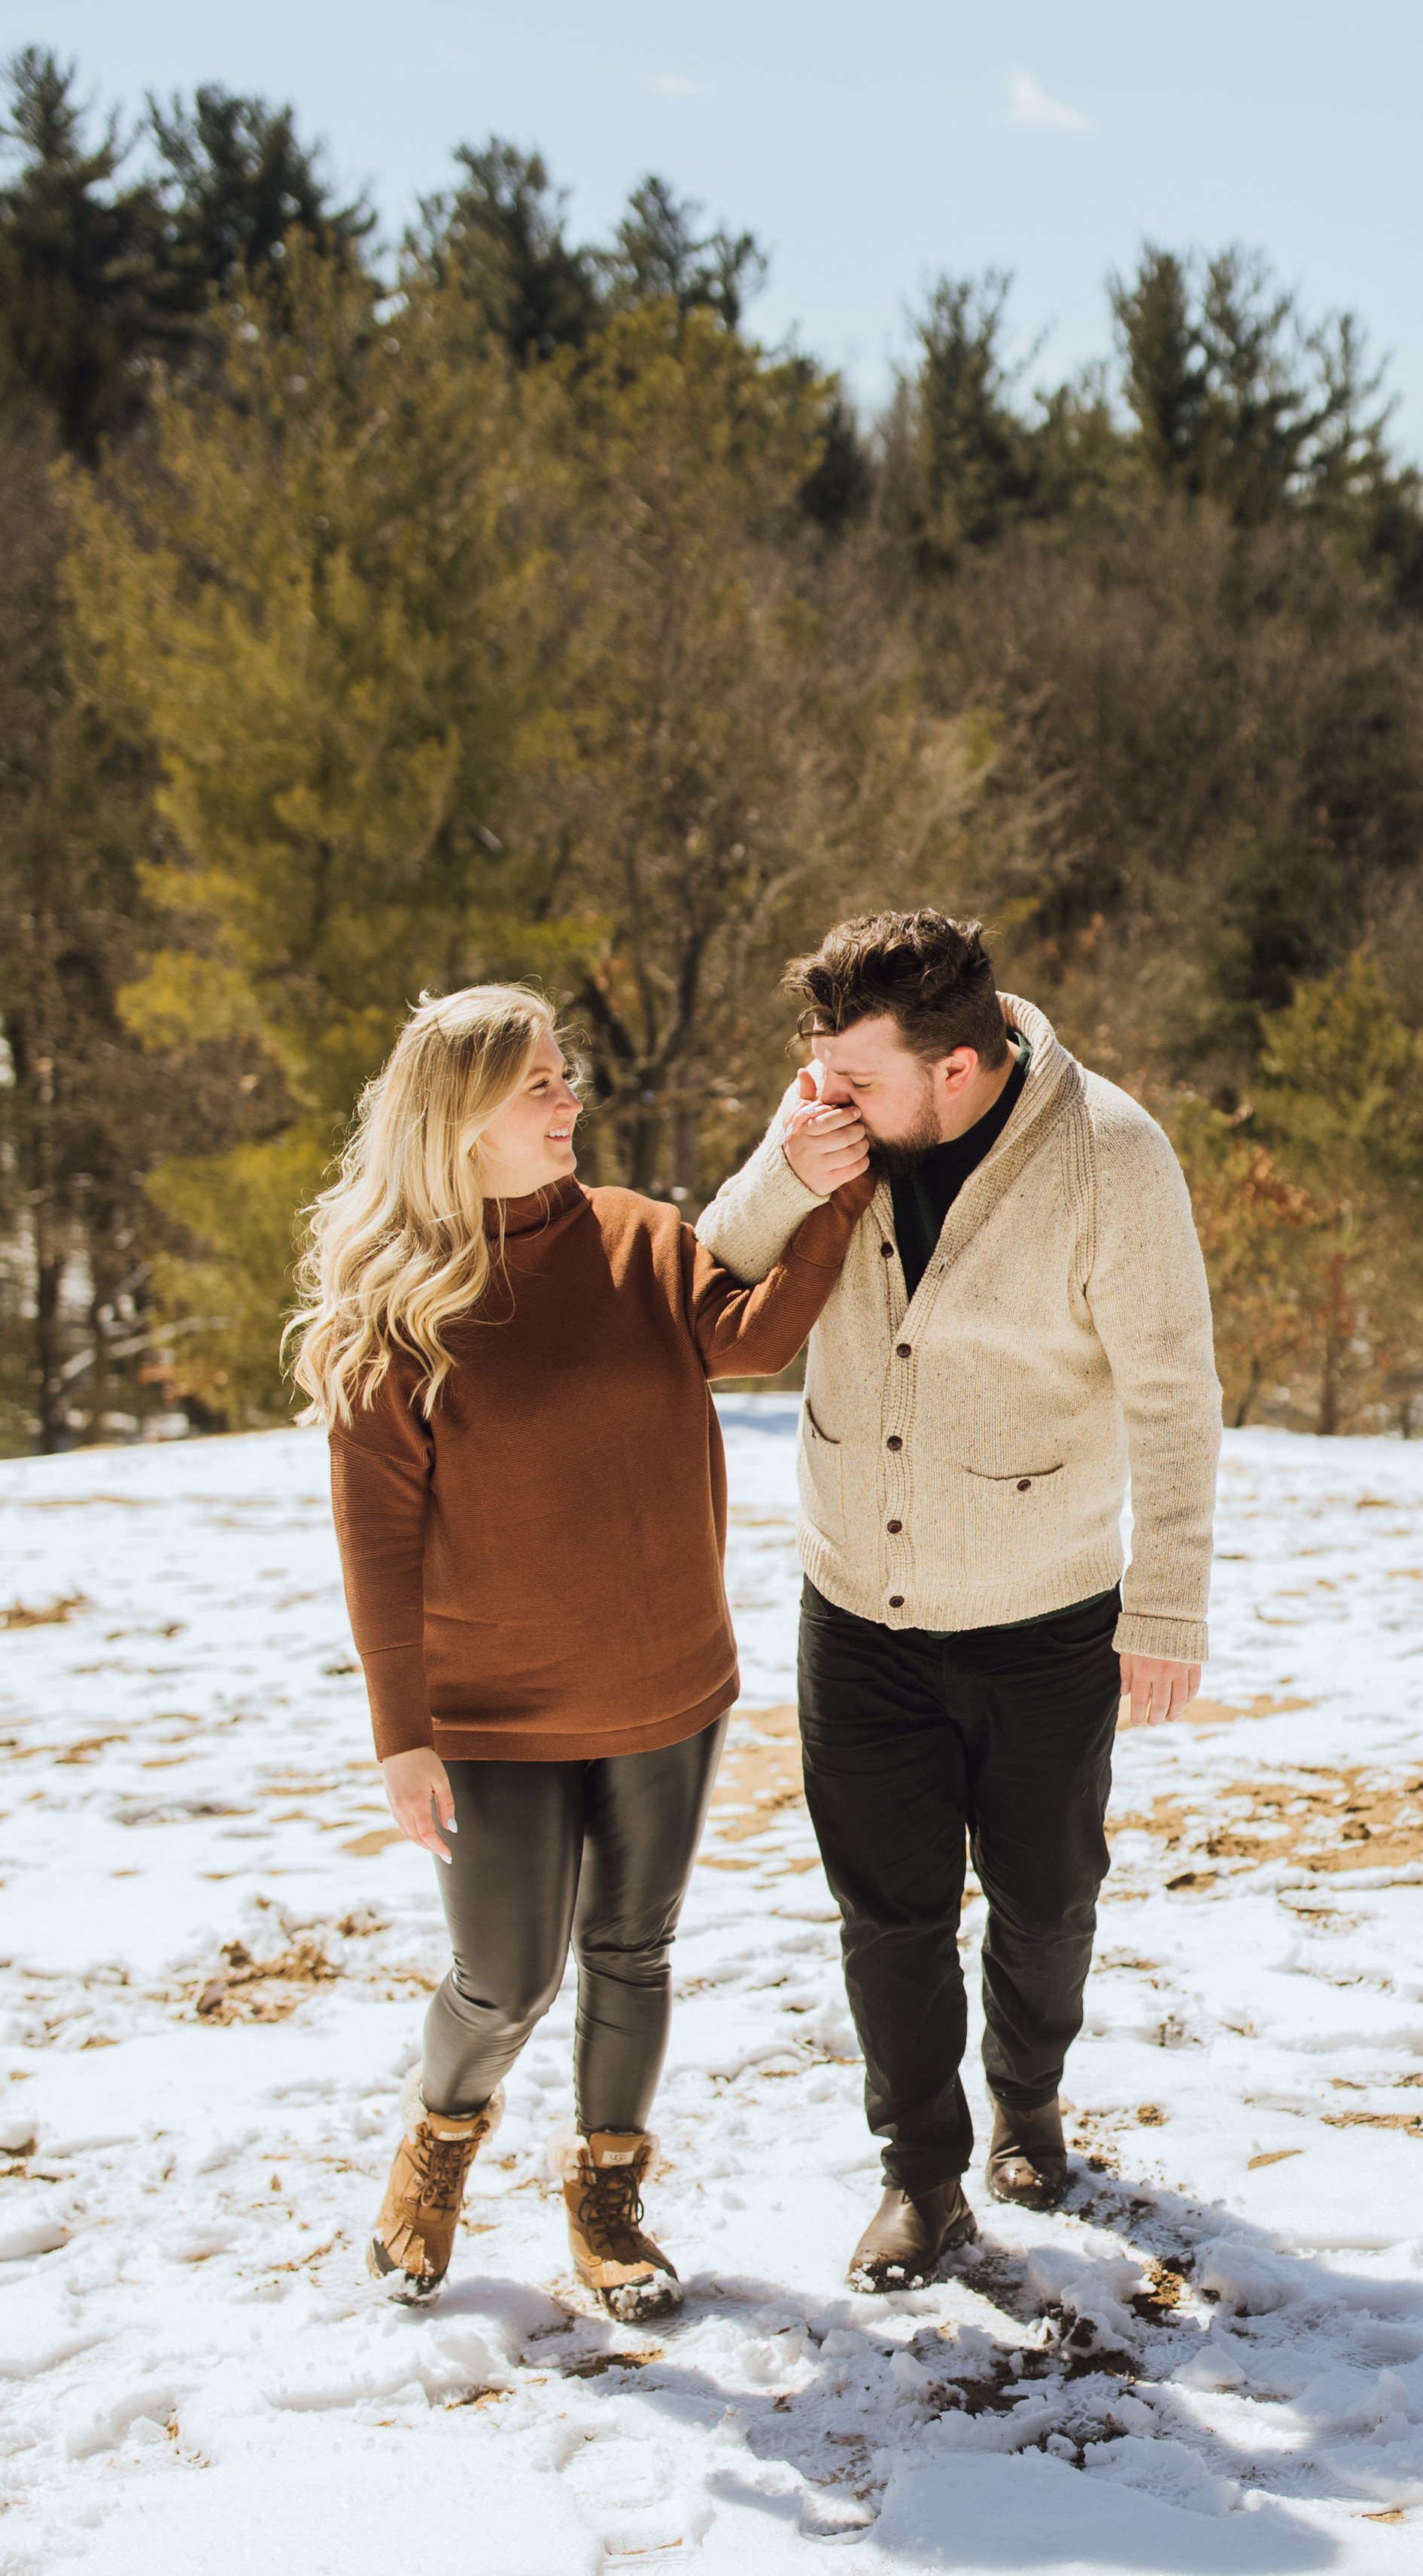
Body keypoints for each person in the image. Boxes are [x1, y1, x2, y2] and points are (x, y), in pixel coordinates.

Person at [291, 983, 869, 2317]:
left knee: (631, 1950)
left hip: (668, 1679)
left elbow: (753, 1336)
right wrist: (401, 1735)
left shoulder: (637, 1238)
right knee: (505, 1977)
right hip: (489, 1711)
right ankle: (441, 2139)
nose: (571, 1101)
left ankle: (608, 2197)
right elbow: (377, 1547)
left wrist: (832, 1197)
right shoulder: (396, 1314)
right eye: (540, 1084)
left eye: (566, 1075)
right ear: (462, 1116)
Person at [697, 910, 1221, 2291]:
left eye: (858, 1080)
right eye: (822, 1072)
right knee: (891, 1916)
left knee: (1047, 1902)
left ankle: (1029, 2100)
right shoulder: (830, 1119)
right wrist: (783, 1163)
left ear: (959, 1068)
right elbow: (714, 1268)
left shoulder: (1113, 1154)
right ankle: (922, 2178)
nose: (831, 1098)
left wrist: (1166, 1606)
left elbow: (1175, 1396)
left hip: (1043, 1614)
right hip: (854, 1609)